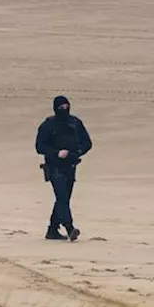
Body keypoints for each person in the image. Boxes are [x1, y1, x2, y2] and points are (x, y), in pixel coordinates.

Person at [35, 95, 93, 241]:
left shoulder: (75, 123)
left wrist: (77, 152)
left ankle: (52, 230)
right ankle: (70, 228)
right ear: (56, 109)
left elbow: (87, 143)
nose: (65, 110)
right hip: (54, 167)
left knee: (63, 199)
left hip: (71, 166)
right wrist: (56, 153)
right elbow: (40, 146)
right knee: (62, 197)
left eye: (67, 107)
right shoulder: (48, 125)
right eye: (61, 108)